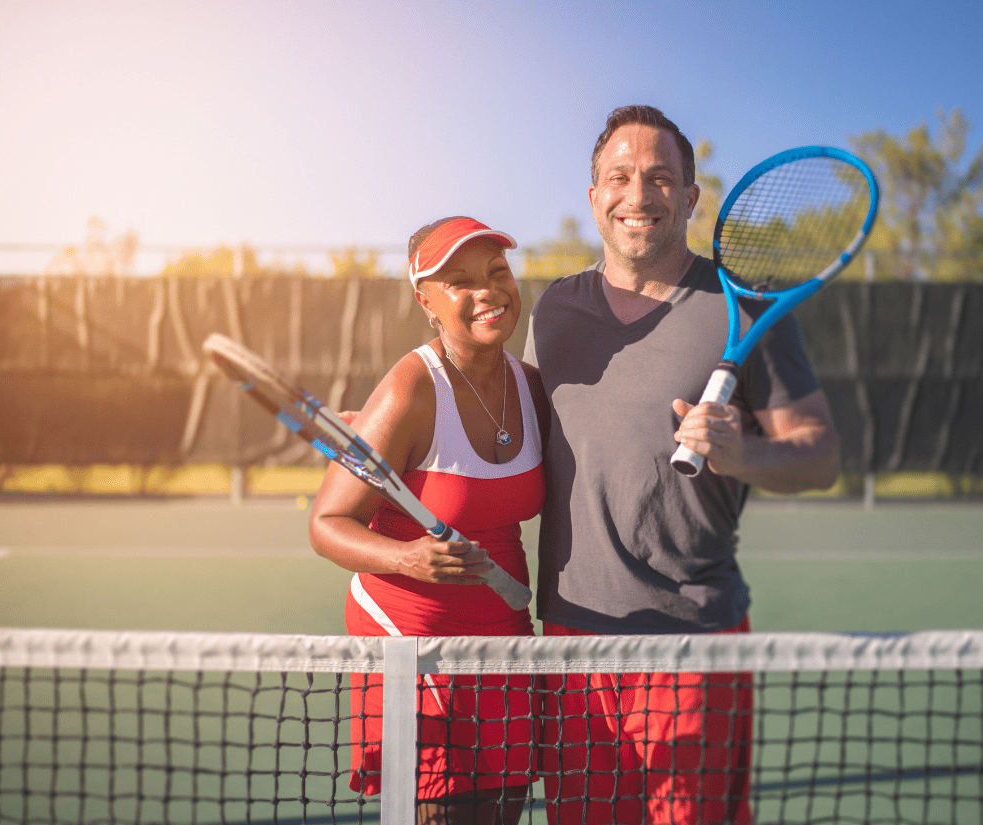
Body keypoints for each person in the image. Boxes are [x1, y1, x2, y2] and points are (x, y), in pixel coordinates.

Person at [522, 105, 841, 824]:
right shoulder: (553, 310)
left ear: (691, 198)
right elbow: (517, 436)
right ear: (593, 194)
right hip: (572, 643)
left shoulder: (750, 308)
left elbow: (819, 453)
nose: (638, 196)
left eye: (660, 178)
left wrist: (743, 452)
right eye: (620, 177)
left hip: (692, 642)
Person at [309, 216, 549, 825]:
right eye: (460, 282)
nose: (487, 291)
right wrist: (408, 557)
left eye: (497, 272)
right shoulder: (410, 389)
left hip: (505, 629)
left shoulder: (532, 387)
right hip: (410, 636)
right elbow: (327, 522)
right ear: (427, 301)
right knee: (444, 814)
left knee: (504, 804)